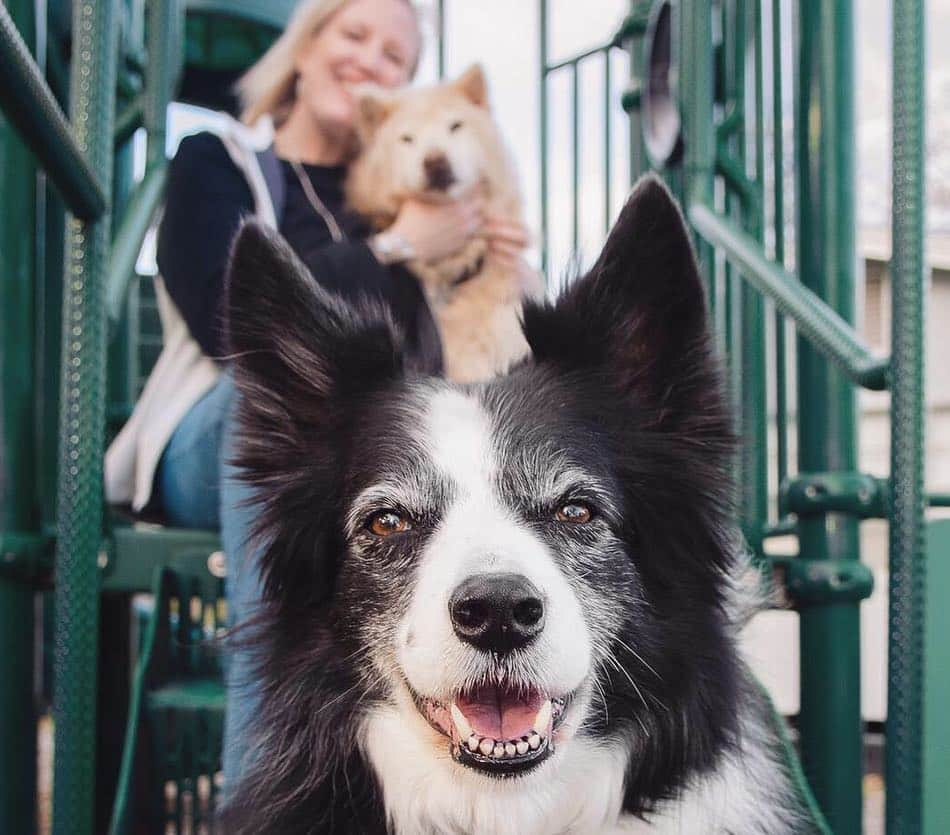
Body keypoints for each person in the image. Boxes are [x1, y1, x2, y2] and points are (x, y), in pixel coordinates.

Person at [103, 0, 531, 789]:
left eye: (396, 57)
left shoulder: (399, 187)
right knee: (258, 399)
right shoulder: (217, 159)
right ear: (304, 47)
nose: (373, 60)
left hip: (365, 462)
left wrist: (485, 269)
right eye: (354, 36)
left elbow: (437, 361)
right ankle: (265, 792)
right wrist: (400, 246)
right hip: (225, 440)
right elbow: (228, 319)